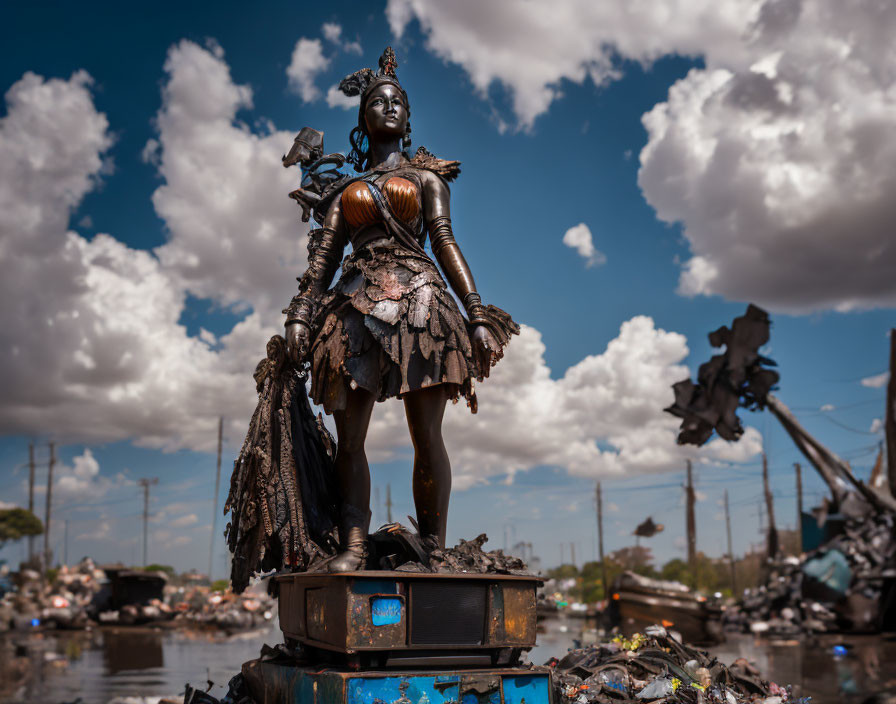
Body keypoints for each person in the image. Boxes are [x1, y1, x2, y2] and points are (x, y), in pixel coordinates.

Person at [283, 48, 518, 572]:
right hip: (353, 305)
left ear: (407, 118)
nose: (389, 108)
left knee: (427, 434)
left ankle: (432, 549)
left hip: (422, 306)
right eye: (378, 102)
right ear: (363, 119)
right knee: (351, 436)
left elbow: (445, 242)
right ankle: (354, 546)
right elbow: (322, 258)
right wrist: (300, 314)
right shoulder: (344, 192)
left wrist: (476, 313)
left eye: (397, 102)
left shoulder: (426, 179)